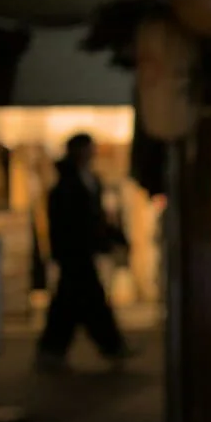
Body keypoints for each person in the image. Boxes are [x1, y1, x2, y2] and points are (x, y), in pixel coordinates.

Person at [36, 133, 131, 368]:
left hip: (81, 251)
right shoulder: (67, 185)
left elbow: (95, 218)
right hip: (74, 252)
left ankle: (55, 349)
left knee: (71, 303)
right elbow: (70, 222)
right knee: (84, 301)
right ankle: (110, 345)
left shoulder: (87, 180)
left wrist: (111, 237)